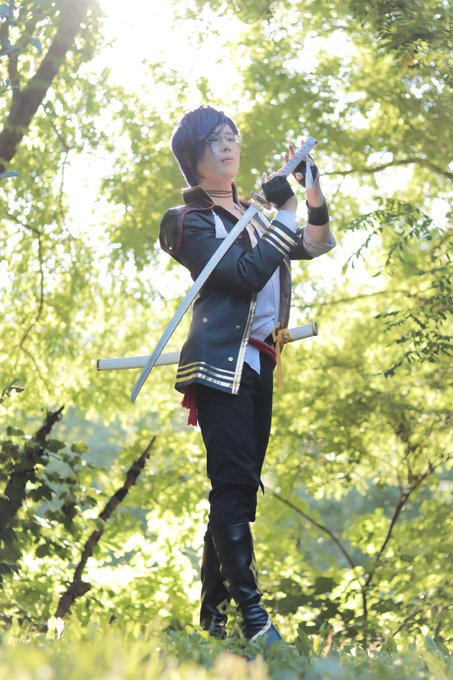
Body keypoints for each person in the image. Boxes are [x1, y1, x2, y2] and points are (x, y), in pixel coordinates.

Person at [159, 105, 335, 645]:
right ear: (193, 156)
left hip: (262, 361)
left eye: (232, 136)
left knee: (240, 491)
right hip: (218, 364)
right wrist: (283, 210)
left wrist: (310, 193)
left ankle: (213, 621)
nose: (228, 145)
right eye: (215, 139)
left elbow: (315, 243)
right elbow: (241, 275)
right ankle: (256, 621)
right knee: (232, 483)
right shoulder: (185, 220)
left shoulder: (257, 216)